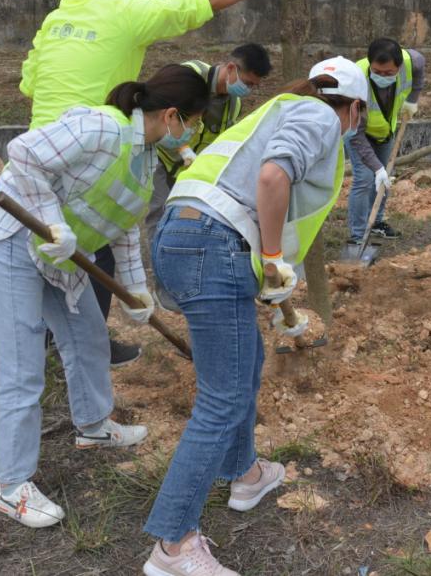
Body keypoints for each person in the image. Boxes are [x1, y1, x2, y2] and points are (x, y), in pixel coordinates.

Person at [21, 0, 301, 366]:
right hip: (91, 149)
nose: (154, 6)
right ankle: (84, 344)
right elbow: (191, 7)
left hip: (44, 143)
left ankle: (55, 339)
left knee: (56, 245)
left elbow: (29, 82)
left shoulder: (60, 14)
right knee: (93, 246)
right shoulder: (125, 9)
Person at [142, 57, 366, 576]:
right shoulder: (318, 117)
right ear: (352, 107)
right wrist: (271, 258)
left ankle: (244, 474)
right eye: (356, 113)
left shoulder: (279, 109)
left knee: (246, 361)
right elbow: (271, 177)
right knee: (222, 398)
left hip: (186, 233)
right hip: (213, 243)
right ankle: (173, 545)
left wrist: (265, 274)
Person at [0, 63, 211, 528]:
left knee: (89, 337)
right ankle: (13, 487)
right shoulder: (101, 126)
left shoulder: (144, 162)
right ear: (175, 115)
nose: (192, 134)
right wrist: (49, 219)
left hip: (61, 255)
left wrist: (136, 290)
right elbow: (23, 152)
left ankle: (95, 428)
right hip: (16, 239)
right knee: (20, 365)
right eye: (194, 123)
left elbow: (121, 229)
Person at [145, 44, 273, 249]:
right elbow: (161, 113)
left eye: (254, 86)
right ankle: (158, 265)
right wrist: (183, 150)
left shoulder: (233, 105)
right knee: (159, 213)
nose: (249, 90)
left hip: (190, 170)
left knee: (184, 218)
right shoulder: (191, 75)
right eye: (248, 82)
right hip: (161, 153)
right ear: (231, 68)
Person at [345, 37, 425, 244]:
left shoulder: (412, 61)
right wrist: (376, 168)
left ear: (398, 66)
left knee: (384, 179)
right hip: (359, 134)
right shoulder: (355, 80)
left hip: (386, 130)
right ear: (370, 63)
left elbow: (420, 68)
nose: (382, 76)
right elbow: (355, 134)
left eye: (388, 73)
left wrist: (412, 99)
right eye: (377, 72)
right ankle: (358, 235)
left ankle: (377, 222)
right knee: (364, 179)